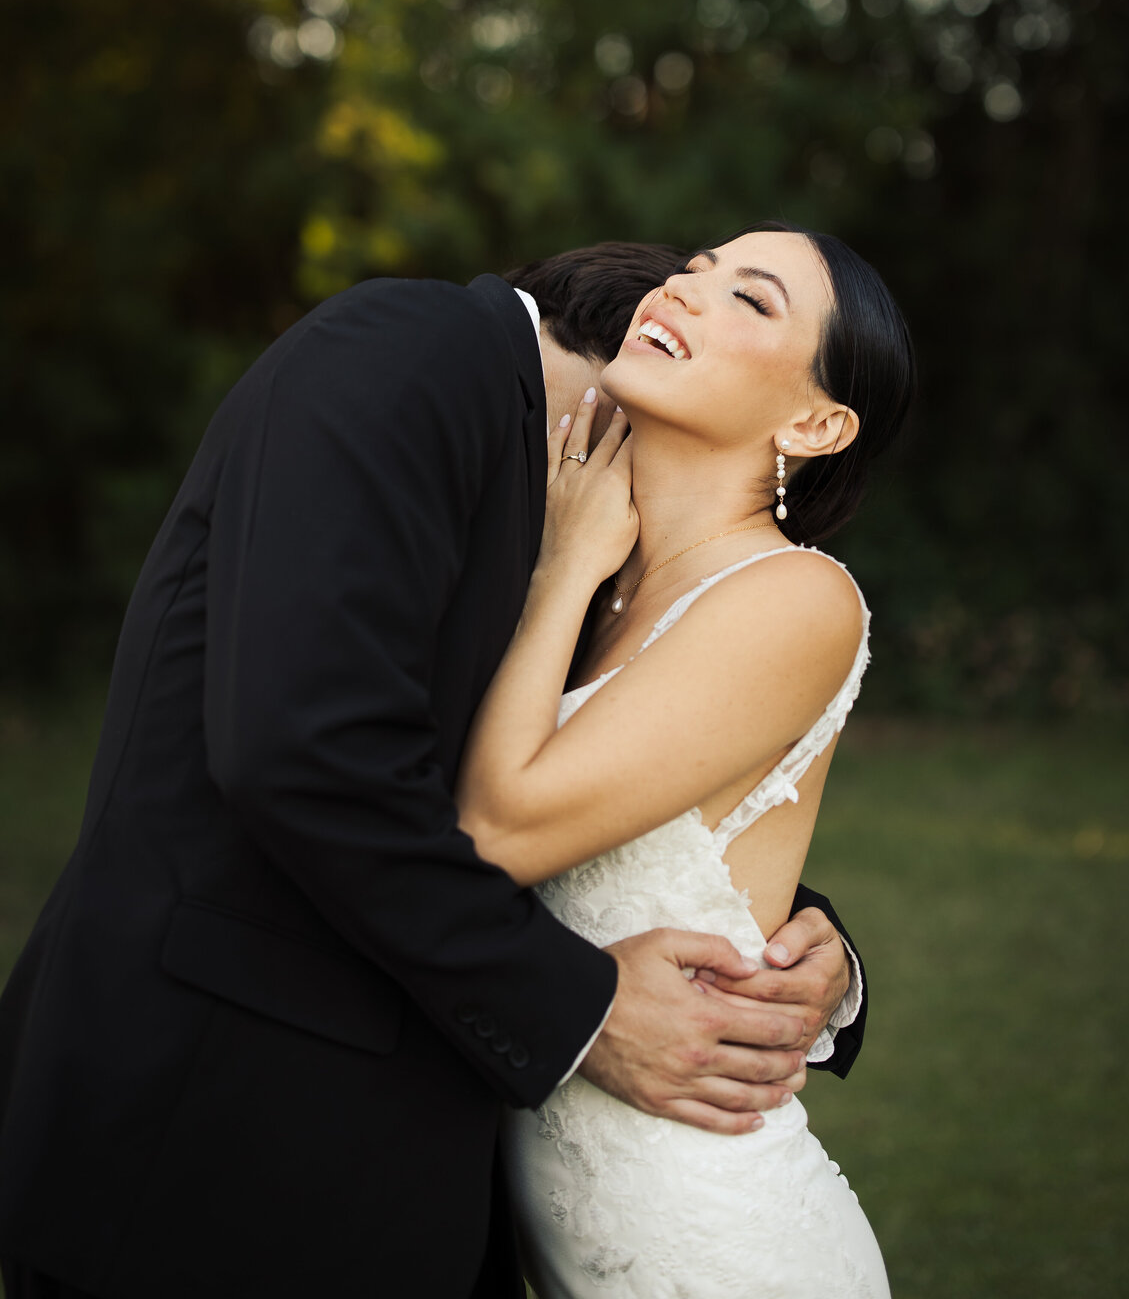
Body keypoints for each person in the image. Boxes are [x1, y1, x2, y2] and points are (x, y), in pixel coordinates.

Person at [0, 241, 867, 1299]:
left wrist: (794, 941)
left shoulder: (592, 541)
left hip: (415, 1174)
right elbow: (309, 749)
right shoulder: (403, 356)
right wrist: (581, 1008)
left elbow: (603, 781)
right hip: (210, 1131)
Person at [457, 224, 914, 1298]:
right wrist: (574, 567)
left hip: (711, 1240)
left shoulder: (797, 599)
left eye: (751, 300)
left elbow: (495, 831)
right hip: (551, 1231)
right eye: (695, 269)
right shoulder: (600, 574)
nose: (685, 292)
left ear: (815, 421)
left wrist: (563, 572)